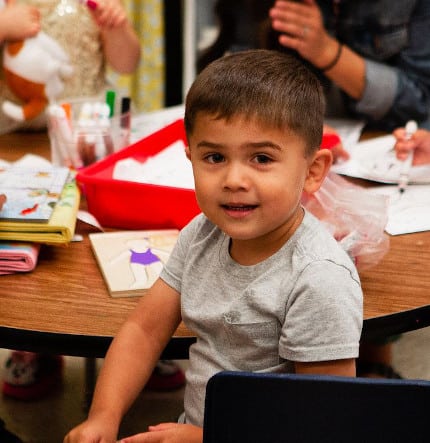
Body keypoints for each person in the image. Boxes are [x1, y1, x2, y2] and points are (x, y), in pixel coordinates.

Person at [64, 49, 363, 443]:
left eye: (261, 158)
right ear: (189, 156)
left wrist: (205, 437)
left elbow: (324, 426)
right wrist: (103, 416)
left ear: (312, 172)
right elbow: (144, 331)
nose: (233, 179)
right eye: (214, 157)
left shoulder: (319, 280)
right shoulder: (202, 233)